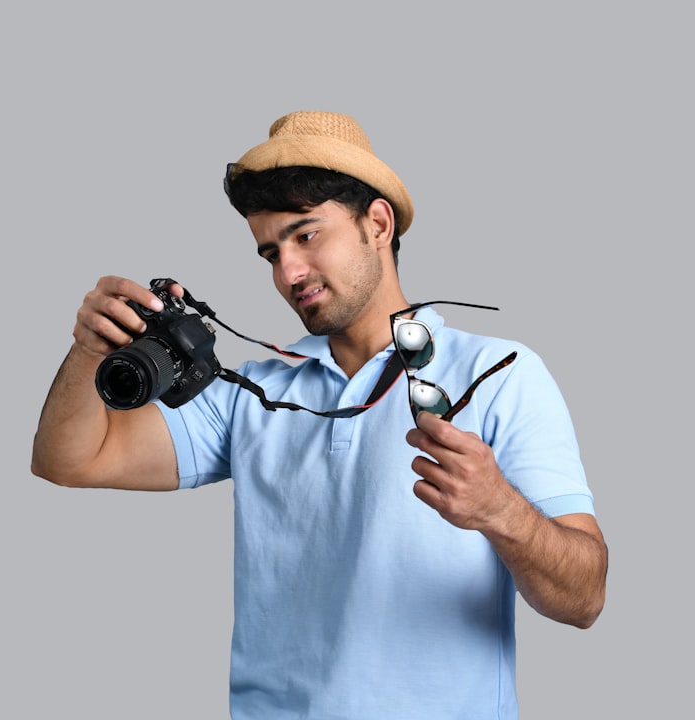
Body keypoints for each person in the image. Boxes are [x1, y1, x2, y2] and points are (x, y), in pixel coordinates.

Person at [31, 110, 607, 719]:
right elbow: (68, 460)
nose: (288, 272)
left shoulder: (500, 374)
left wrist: (501, 511)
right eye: (270, 253)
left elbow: (585, 599)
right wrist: (89, 350)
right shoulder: (250, 392)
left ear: (377, 224)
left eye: (306, 236)